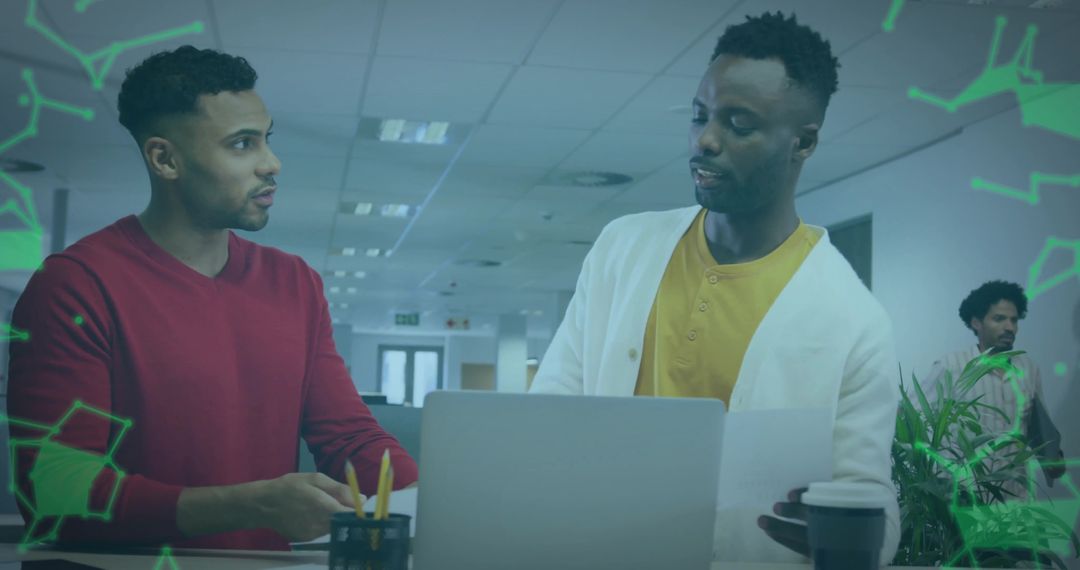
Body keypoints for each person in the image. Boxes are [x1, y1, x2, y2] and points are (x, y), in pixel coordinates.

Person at [5, 46, 417, 551]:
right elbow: (55, 494)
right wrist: (250, 505)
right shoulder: (76, 285)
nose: (272, 163)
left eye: (266, 139)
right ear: (165, 159)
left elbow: (349, 437)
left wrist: (435, 496)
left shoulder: (295, 282)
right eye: (242, 144)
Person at [529, 12, 900, 565]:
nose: (705, 140)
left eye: (739, 125)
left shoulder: (855, 320)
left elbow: (873, 505)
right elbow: (548, 415)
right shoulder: (622, 248)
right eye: (700, 116)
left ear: (802, 142)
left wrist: (846, 533)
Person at [924, 280, 1065, 484]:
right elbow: (913, 417)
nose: (1009, 327)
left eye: (1014, 320)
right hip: (965, 492)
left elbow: (1039, 426)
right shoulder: (951, 366)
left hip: (1016, 492)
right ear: (976, 322)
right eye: (999, 319)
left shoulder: (1028, 368)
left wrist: (1053, 458)